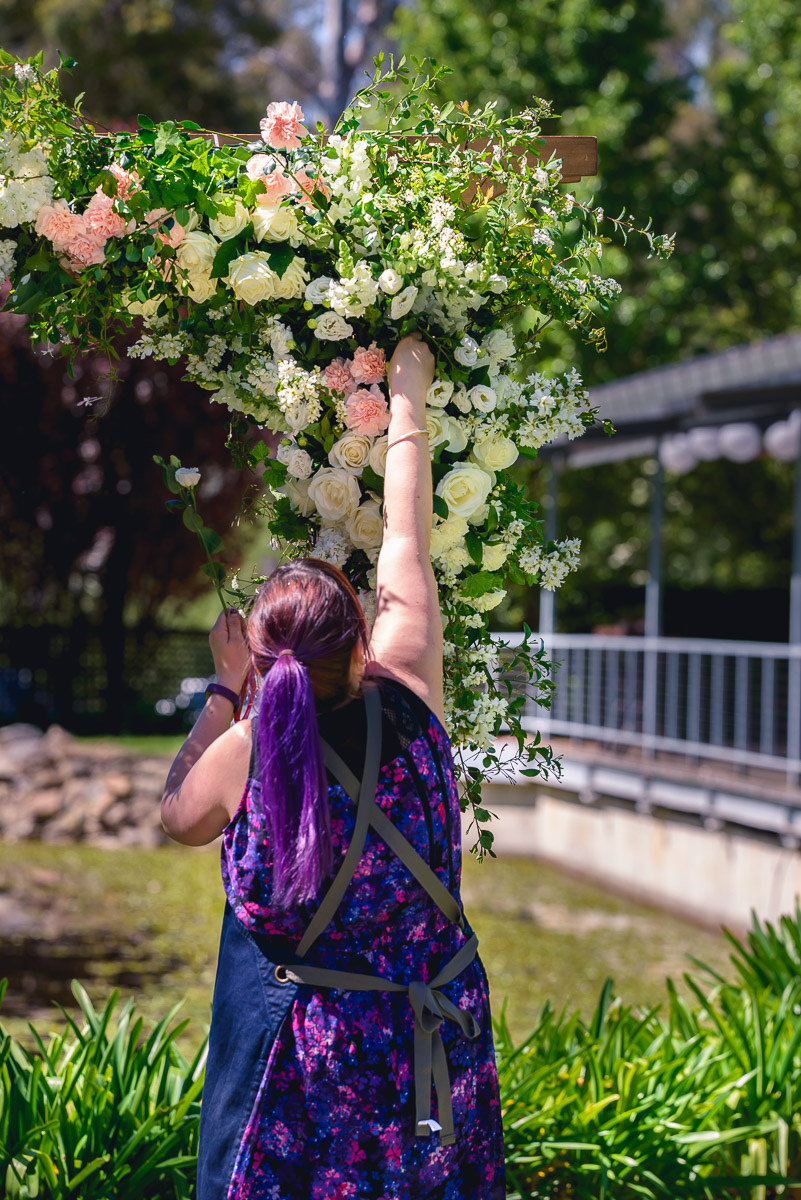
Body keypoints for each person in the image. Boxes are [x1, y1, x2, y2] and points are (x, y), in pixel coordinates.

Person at [161, 335, 506, 1199]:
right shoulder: (411, 697)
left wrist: (220, 690)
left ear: (266, 660)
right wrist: (408, 398)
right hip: (432, 1035)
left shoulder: (244, 749)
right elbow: (405, 540)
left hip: (311, 1058)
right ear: (359, 638)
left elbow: (178, 817)